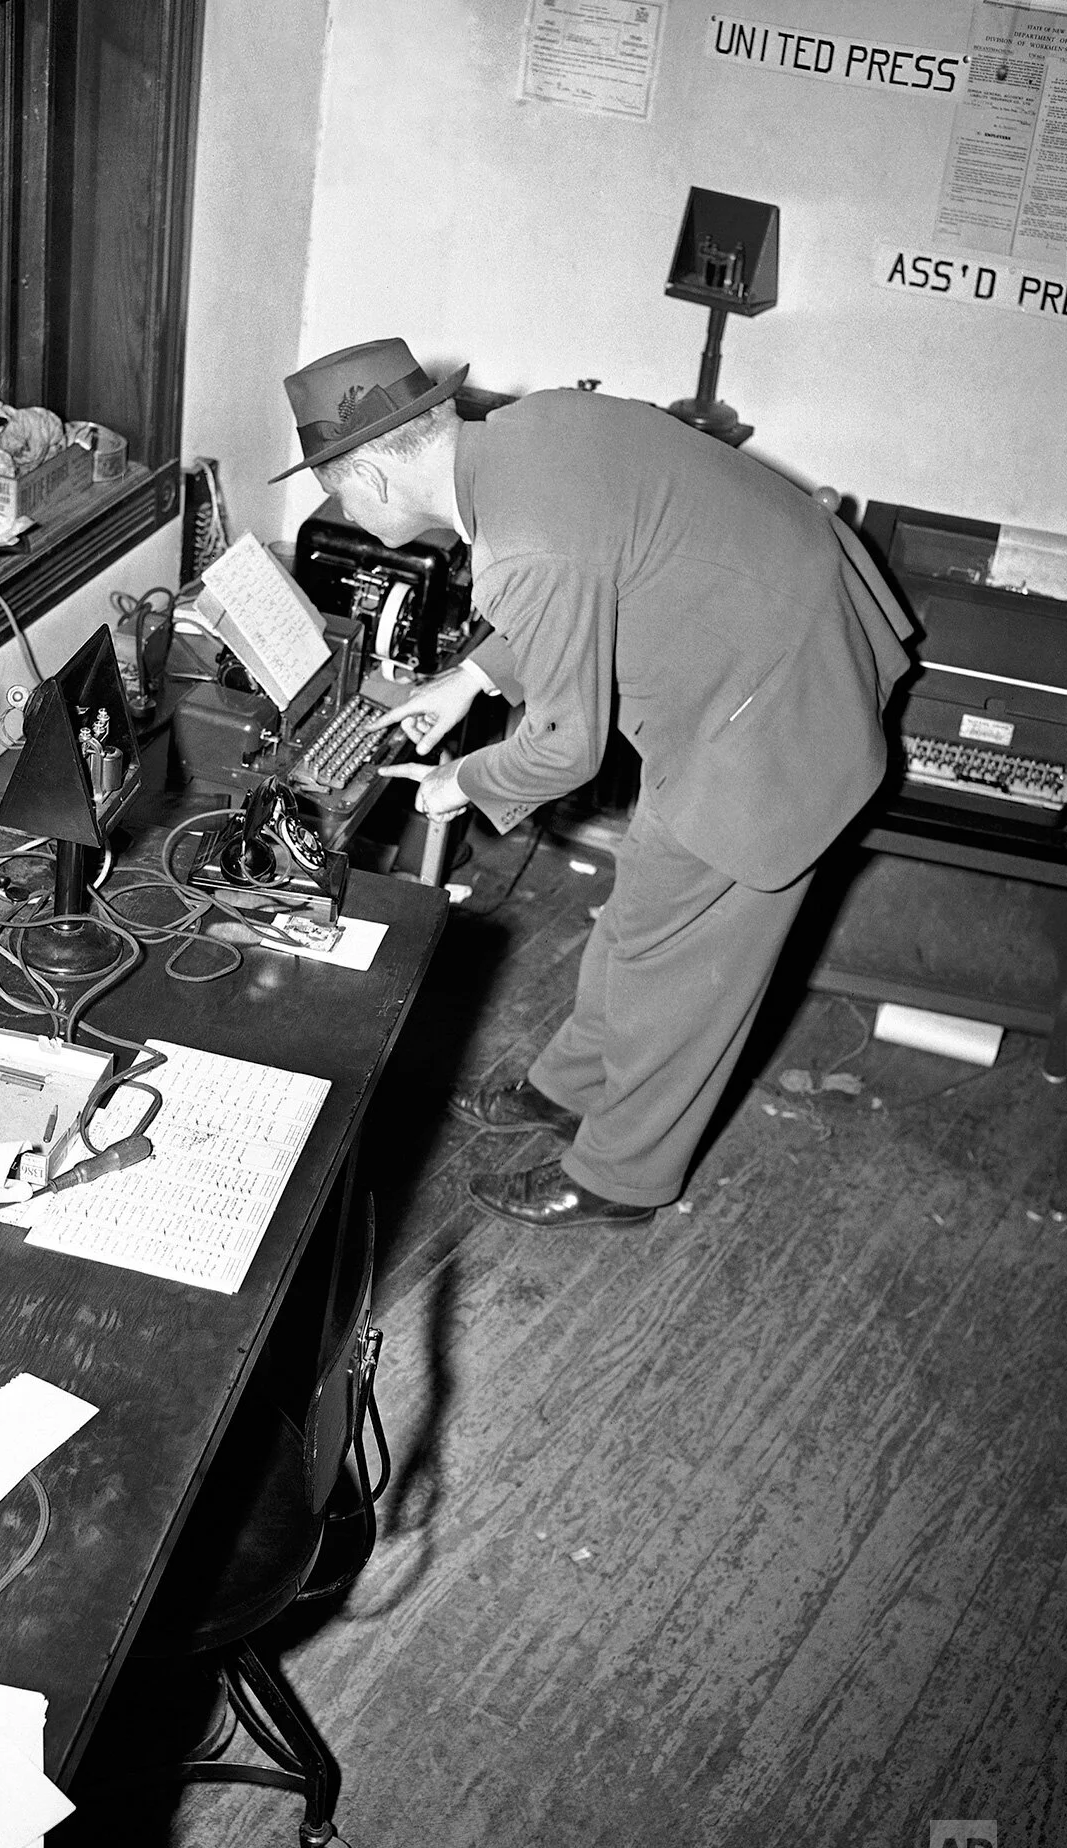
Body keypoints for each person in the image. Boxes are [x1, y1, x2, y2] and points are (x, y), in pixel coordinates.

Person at [272, 336, 912, 1229]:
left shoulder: (521, 548)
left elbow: (566, 748)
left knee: (684, 971)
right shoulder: (531, 430)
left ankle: (621, 1175)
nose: (337, 508)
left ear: (374, 480)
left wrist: (461, 782)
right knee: (644, 912)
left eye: (335, 490)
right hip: (761, 642)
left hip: (777, 718)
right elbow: (596, 566)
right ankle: (566, 1089)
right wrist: (471, 678)